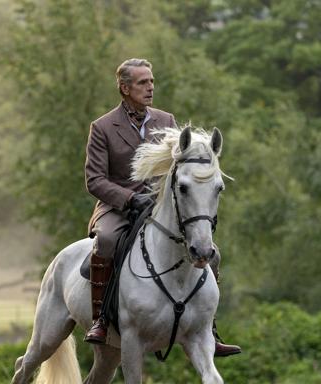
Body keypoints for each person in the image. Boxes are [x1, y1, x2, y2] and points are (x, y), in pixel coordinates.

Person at [83, 58, 241, 357]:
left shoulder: (166, 120)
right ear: (125, 87)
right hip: (118, 208)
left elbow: (179, 168)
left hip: (160, 209)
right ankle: (101, 320)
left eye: (152, 81)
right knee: (106, 241)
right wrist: (129, 199)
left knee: (212, 253)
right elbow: (94, 180)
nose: (150, 87)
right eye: (143, 83)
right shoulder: (102, 127)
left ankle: (210, 329)